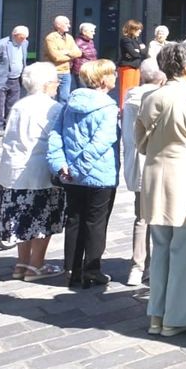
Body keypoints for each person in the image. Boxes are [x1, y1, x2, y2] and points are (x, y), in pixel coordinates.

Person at [135, 43, 186, 336]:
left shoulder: (150, 98)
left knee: (159, 250)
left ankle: (157, 314)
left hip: (156, 177)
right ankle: (177, 317)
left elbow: (140, 143)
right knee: (184, 251)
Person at [45, 58, 120, 288]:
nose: (116, 76)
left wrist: (60, 164)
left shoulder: (69, 102)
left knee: (75, 220)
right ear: (103, 78)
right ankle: (91, 270)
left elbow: (54, 135)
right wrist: (77, 168)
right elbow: (102, 141)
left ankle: (72, 269)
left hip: (71, 175)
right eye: (112, 73)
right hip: (98, 174)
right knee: (95, 222)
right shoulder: (108, 107)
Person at [0, 62, 64, 281]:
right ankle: (36, 266)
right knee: (42, 219)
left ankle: (21, 263)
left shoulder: (19, 105)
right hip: (38, 171)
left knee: (20, 219)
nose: (58, 84)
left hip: (13, 172)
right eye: (55, 81)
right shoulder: (52, 107)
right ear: (45, 85)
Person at [121, 58, 165, 286]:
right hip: (158, 163)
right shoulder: (159, 99)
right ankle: (155, 265)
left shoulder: (130, 98)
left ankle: (137, 266)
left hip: (137, 164)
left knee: (141, 217)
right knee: (160, 217)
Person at [0, 26, 29, 131]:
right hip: (1, 78)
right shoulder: (1, 44)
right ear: (14, 35)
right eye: (22, 37)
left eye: (26, 38)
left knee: (12, 104)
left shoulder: (24, 43)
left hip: (16, 79)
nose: (24, 40)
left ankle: (8, 125)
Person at [43, 16, 82, 103]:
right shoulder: (50, 38)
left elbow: (78, 53)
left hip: (66, 72)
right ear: (58, 25)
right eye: (66, 23)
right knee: (50, 98)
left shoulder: (69, 37)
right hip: (53, 72)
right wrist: (71, 54)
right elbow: (56, 57)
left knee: (64, 98)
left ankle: (62, 116)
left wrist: (66, 52)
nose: (69, 26)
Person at [117, 20, 147, 106]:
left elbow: (145, 51)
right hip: (127, 67)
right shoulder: (125, 39)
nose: (140, 31)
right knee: (126, 90)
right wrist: (139, 51)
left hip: (136, 67)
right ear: (132, 29)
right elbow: (133, 53)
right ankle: (123, 110)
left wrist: (139, 51)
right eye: (138, 29)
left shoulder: (137, 39)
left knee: (135, 90)